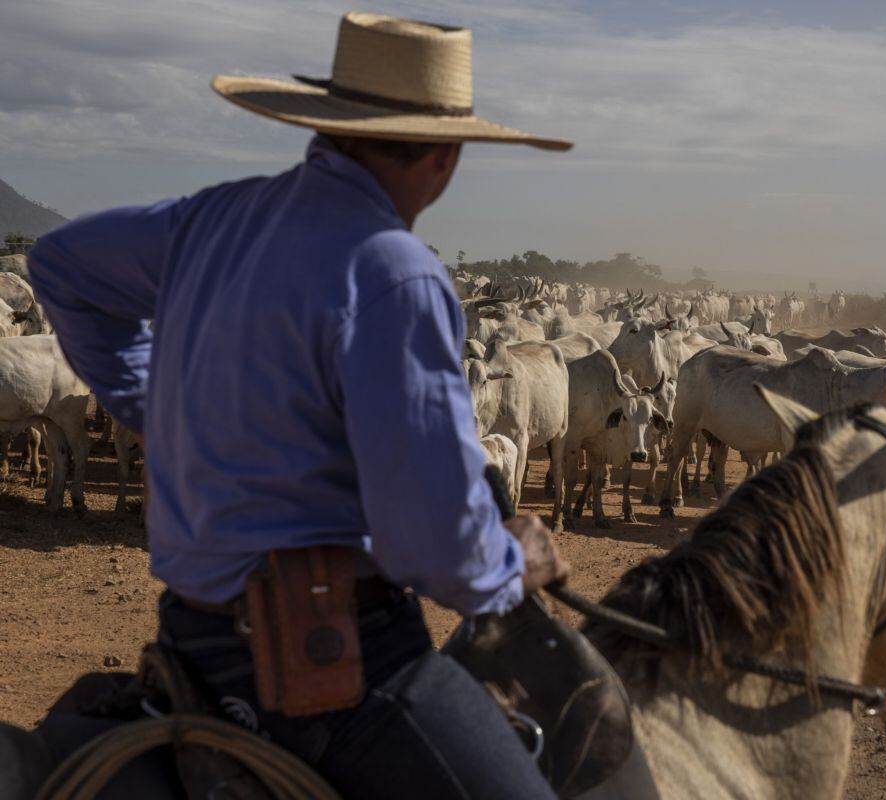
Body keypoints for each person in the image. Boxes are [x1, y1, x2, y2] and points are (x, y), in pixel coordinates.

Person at [29, 13, 573, 799]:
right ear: (445, 156)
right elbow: (433, 547)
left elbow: (60, 263)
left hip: (193, 645)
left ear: (327, 128)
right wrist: (508, 564)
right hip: (341, 672)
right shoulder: (397, 274)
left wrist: (158, 406)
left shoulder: (211, 218)